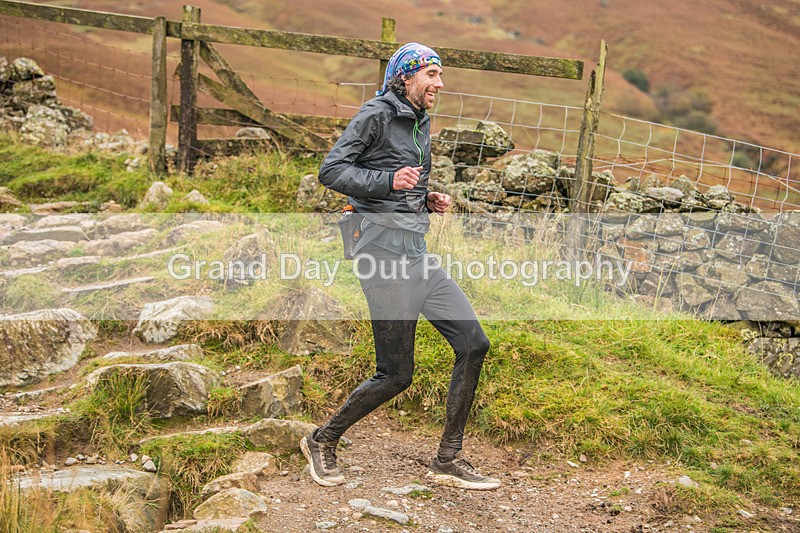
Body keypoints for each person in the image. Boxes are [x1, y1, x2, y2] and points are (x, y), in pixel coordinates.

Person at [300, 42, 500, 491]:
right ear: (405, 77)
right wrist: (388, 181)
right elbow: (332, 171)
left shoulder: (421, 121)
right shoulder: (375, 115)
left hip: (415, 254)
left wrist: (425, 200)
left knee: (474, 343)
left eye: (440, 74)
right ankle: (321, 440)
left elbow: (403, 187)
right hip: (380, 256)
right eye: (431, 74)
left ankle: (448, 458)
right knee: (396, 374)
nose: (440, 83)